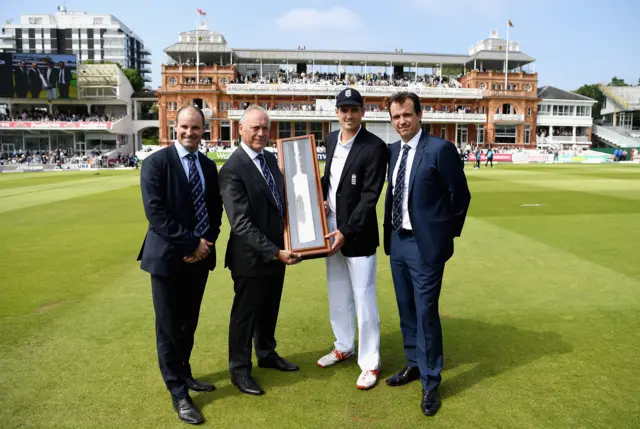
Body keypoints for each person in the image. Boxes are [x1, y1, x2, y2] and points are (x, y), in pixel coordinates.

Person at [383, 92, 471, 417]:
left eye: (406, 114)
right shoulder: (393, 152)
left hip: (425, 248)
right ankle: (413, 365)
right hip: (397, 242)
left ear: (419, 115)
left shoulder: (439, 149)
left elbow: (460, 196)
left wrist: (441, 238)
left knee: (425, 314)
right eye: (396, 117)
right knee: (406, 310)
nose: (402, 121)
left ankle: (431, 383)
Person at [138, 105, 223, 425]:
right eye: (185, 127)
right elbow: (156, 213)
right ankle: (178, 392)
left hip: (199, 258)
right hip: (168, 259)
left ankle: (185, 374)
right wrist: (191, 243)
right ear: (176, 127)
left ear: (204, 129)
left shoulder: (207, 164)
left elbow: (215, 209)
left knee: (188, 323)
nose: (190, 133)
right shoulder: (155, 163)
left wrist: (206, 243)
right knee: (169, 328)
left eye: (196, 128)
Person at [219, 105, 302, 397]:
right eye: (255, 127)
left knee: (269, 309)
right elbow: (241, 223)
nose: (261, 133)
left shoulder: (270, 158)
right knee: (245, 315)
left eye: (265, 127)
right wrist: (275, 251)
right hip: (250, 258)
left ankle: (266, 354)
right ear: (241, 129)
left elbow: (283, 201)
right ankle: (239, 371)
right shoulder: (232, 169)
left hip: (277, 252)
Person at [316, 88, 388, 390]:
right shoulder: (331, 138)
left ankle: (370, 362)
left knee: (363, 297)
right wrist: (315, 198)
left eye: (353, 109)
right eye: (343, 109)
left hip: (356, 234)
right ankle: (343, 344)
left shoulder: (375, 147)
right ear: (336, 112)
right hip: (329, 228)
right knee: (337, 292)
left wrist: (346, 230)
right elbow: (328, 181)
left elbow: (370, 196)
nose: (348, 115)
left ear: (362, 111)